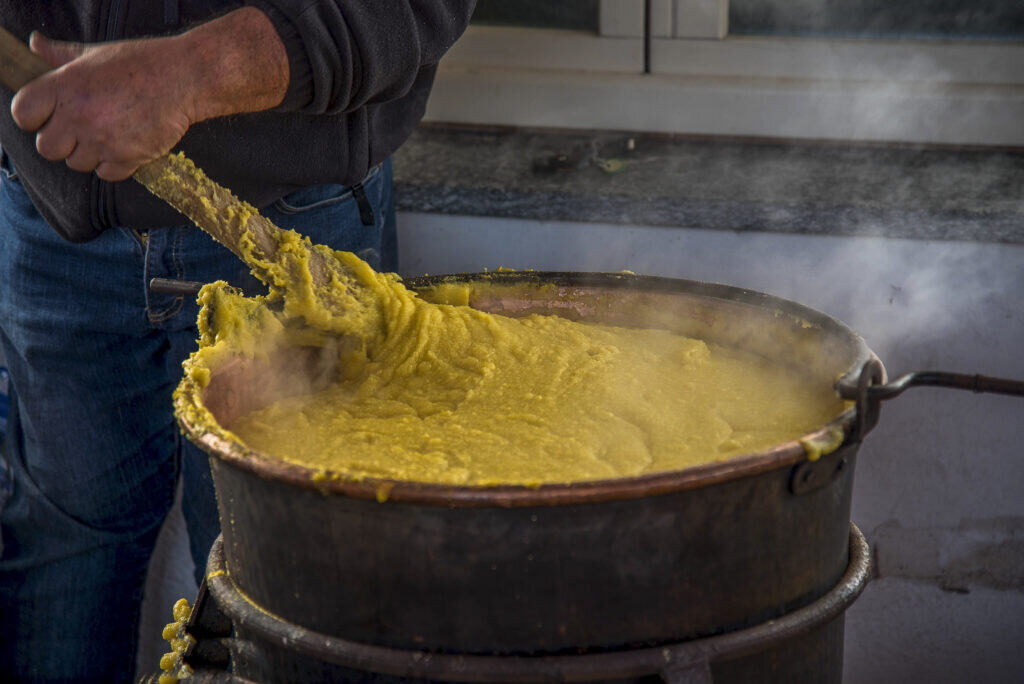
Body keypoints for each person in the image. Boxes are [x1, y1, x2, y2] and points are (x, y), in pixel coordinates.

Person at [0, 2, 475, 681]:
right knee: (61, 554)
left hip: (295, 220)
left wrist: (191, 74)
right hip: (46, 212)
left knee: (285, 580)